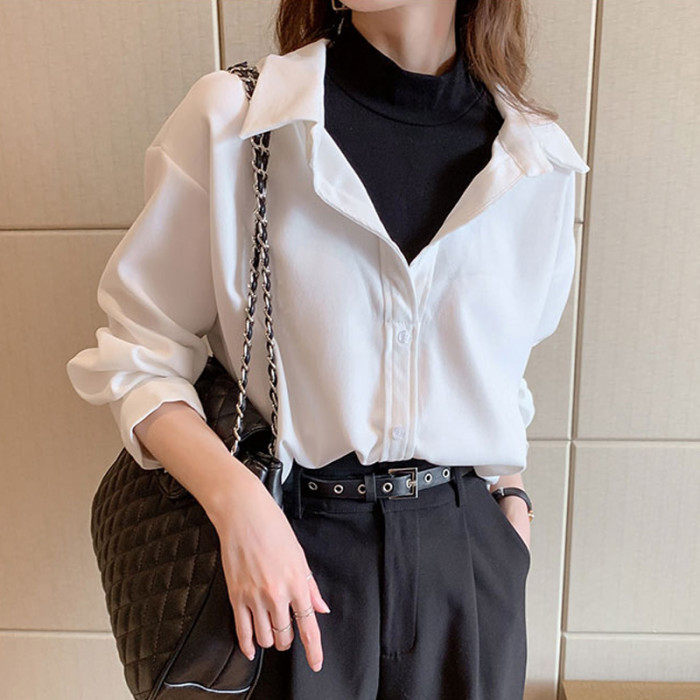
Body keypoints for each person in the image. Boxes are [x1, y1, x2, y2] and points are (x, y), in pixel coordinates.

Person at [66, 1, 589, 698]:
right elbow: (139, 352)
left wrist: (512, 503)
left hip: (467, 571)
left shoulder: (537, 159)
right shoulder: (238, 119)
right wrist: (237, 505)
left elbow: (500, 376)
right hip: (290, 558)